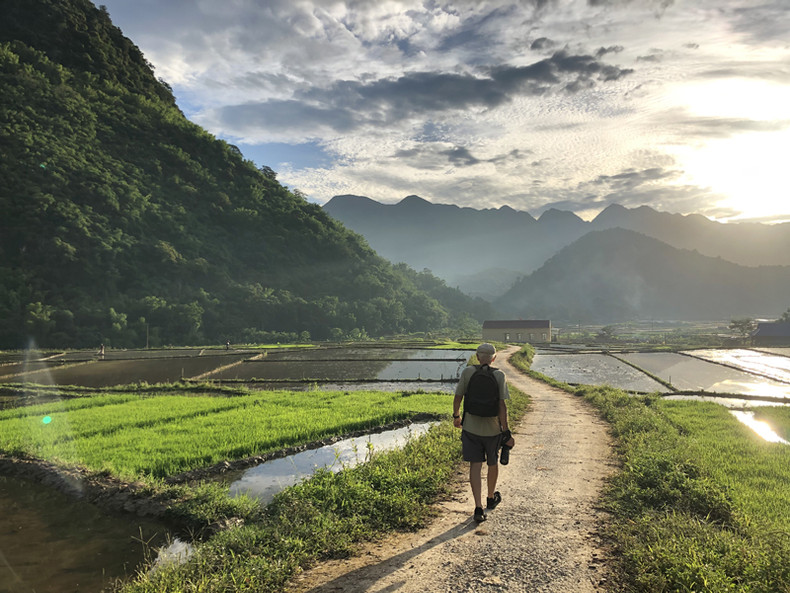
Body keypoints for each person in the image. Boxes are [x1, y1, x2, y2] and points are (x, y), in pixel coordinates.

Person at [453, 343, 515, 523]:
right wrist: (506, 431)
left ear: (478, 357)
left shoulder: (467, 372)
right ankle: (490, 497)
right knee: (493, 462)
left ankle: (478, 507)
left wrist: (457, 416)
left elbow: (458, 397)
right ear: (494, 358)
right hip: (493, 429)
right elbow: (502, 406)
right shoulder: (499, 375)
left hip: (471, 428)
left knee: (475, 465)